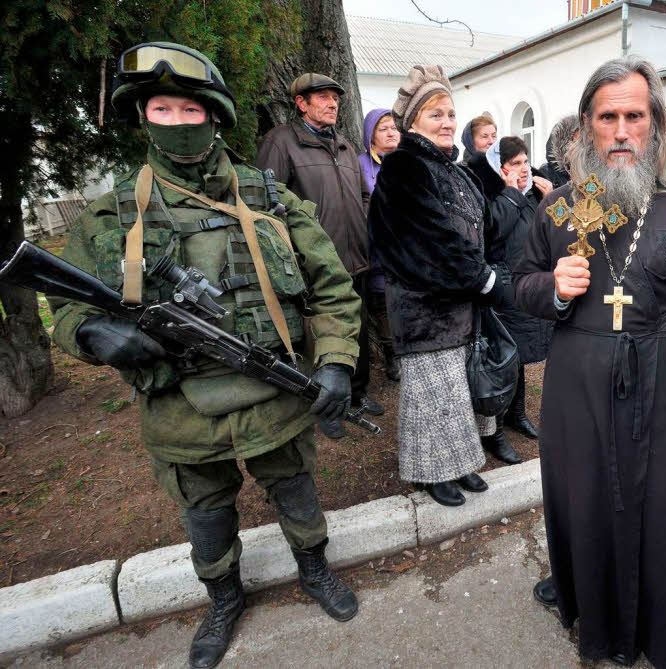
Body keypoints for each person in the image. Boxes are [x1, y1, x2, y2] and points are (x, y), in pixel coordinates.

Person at [49, 43, 362, 669]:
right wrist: (92, 336)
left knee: (297, 492)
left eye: (190, 110)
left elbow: (331, 286)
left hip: (274, 394)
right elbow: (68, 306)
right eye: (161, 109)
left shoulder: (268, 199)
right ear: (143, 119)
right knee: (207, 514)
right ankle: (223, 599)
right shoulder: (113, 214)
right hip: (180, 410)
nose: (177, 123)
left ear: (214, 116)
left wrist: (334, 361)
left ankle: (314, 569)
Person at [515, 57, 666, 669]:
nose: (620, 130)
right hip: (574, 376)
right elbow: (519, 283)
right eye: (607, 117)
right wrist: (554, 288)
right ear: (586, 127)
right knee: (578, 495)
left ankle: (643, 632)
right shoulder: (558, 206)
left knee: (649, 505)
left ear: (656, 125)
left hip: (657, 375)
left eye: (633, 116)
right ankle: (584, 602)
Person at [368, 65, 511, 507]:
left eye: (451, 113)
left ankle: (462, 464)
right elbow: (430, 242)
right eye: (436, 115)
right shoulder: (404, 168)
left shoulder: (455, 171)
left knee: (460, 391)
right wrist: (483, 278)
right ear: (412, 124)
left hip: (464, 303)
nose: (448, 122)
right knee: (436, 399)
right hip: (424, 308)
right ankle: (433, 474)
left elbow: (483, 228)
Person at [256, 73, 384, 417]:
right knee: (317, 335)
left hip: (354, 257)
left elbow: (363, 195)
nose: (332, 104)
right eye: (324, 97)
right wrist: (298, 246)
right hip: (313, 264)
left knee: (353, 327)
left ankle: (357, 396)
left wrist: (361, 217)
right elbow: (267, 205)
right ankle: (323, 403)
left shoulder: (343, 144)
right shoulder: (280, 143)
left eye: (336, 98)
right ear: (301, 103)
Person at [465, 136, 554, 458]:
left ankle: (517, 415)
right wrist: (512, 193)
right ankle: (495, 430)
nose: (522, 169)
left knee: (521, 358)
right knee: (501, 360)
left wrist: (549, 201)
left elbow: (547, 236)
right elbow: (492, 233)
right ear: (499, 167)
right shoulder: (491, 194)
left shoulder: (531, 194)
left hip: (526, 285)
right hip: (502, 288)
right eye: (515, 163)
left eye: (525, 162)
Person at [358, 109, 402, 382]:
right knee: (383, 302)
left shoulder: (406, 161)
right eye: (383, 128)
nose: (391, 132)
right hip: (377, 251)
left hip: (407, 250)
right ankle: (392, 356)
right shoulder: (361, 165)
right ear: (371, 135)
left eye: (394, 128)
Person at [538, 115, 580, 189]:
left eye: (583, 141)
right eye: (575, 141)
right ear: (562, 144)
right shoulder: (545, 174)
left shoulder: (592, 172)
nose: (581, 146)